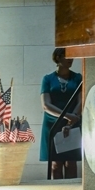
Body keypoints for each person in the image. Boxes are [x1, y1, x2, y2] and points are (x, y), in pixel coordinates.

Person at [40, 48, 82, 179]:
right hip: (53, 124)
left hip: (73, 122)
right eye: (67, 56)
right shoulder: (48, 79)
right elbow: (46, 105)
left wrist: (72, 119)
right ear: (58, 58)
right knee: (55, 164)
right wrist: (67, 116)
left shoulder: (78, 77)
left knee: (71, 163)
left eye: (72, 56)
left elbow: (81, 100)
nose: (71, 59)